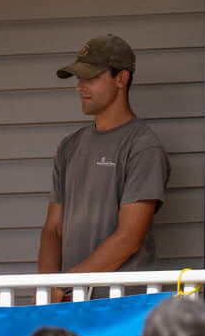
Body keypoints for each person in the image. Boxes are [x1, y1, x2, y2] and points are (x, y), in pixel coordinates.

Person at [37, 35, 169, 302]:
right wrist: (49, 287)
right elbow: (52, 229)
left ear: (121, 79)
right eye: (78, 78)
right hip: (70, 303)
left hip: (120, 309)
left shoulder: (143, 146)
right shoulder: (69, 146)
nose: (80, 87)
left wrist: (68, 285)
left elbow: (128, 238)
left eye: (91, 77)